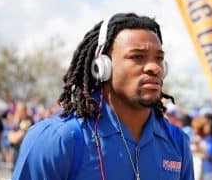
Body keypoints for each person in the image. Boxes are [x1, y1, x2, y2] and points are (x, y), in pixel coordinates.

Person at [12, 13, 194, 180]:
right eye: (137, 57)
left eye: (159, 58)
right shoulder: (58, 140)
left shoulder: (177, 142)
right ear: (102, 67)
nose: (154, 68)